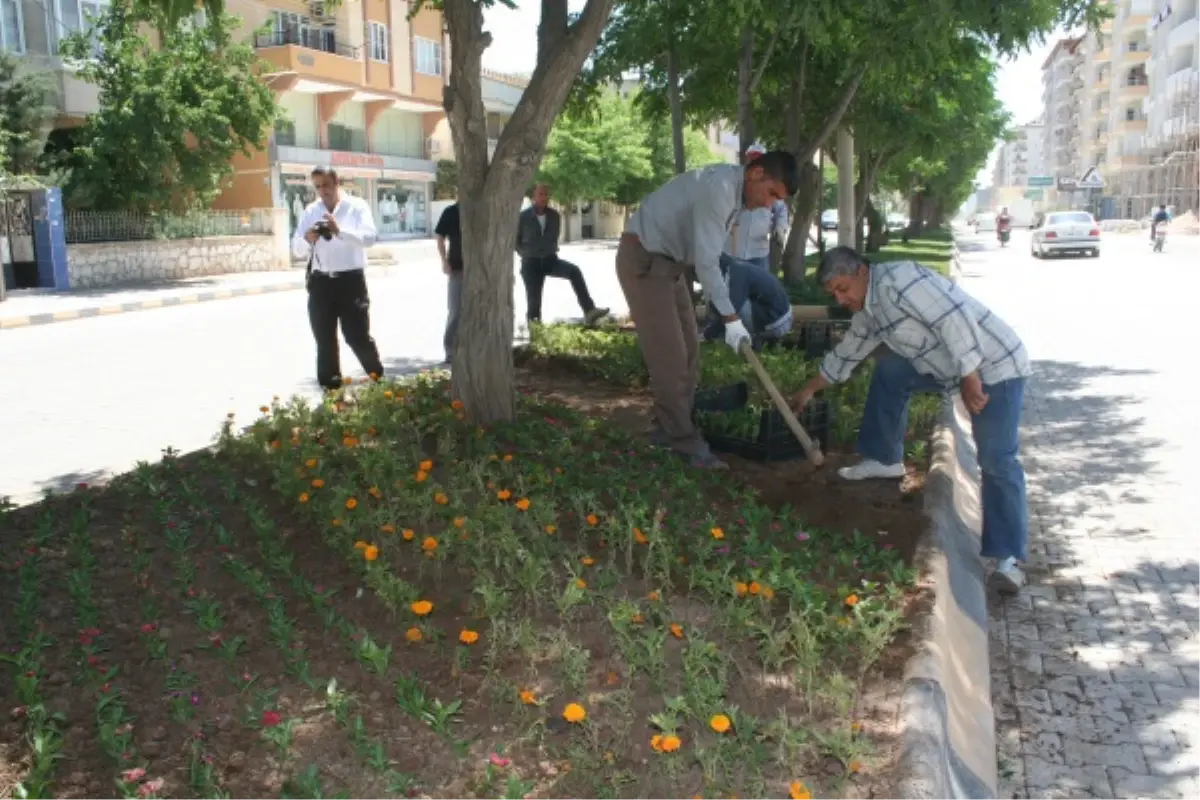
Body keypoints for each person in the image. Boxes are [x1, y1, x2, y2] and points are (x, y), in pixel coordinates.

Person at [789, 246, 1032, 593]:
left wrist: (970, 376)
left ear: (861, 271)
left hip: (994, 366)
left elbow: (956, 318)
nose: (840, 299)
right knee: (891, 370)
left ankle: (1008, 559)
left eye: (842, 288)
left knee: (996, 458)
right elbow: (848, 352)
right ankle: (884, 458)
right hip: (947, 365)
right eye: (833, 294)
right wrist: (809, 390)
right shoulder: (869, 309)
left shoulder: (901, 282)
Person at [618, 150, 800, 469]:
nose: (770, 204)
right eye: (772, 193)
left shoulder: (735, 194)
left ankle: (666, 428)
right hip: (644, 261)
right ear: (756, 173)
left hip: (670, 266)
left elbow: (707, 256)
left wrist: (727, 314)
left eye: (777, 200)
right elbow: (707, 262)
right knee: (670, 358)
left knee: (690, 351)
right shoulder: (719, 190)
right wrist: (731, 318)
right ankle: (685, 443)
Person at [291, 165, 384, 391]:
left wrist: (339, 230)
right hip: (321, 283)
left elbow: (370, 237)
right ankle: (331, 394)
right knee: (325, 341)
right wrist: (308, 238)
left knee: (357, 336)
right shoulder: (311, 211)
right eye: (318, 187)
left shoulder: (357, 207)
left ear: (337, 183)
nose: (323, 191)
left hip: (350, 281)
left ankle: (379, 381)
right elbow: (296, 249)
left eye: (326, 185)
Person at [516, 184, 609, 326]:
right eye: (541, 194)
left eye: (546, 194)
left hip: (550, 260)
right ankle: (535, 333)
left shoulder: (554, 216)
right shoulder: (523, 217)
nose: (544, 197)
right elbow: (515, 241)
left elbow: (554, 236)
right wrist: (526, 253)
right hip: (531, 264)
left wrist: (549, 250)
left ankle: (589, 310)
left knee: (574, 271)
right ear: (534, 196)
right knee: (534, 303)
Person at [702, 258, 794, 347]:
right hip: (778, 315)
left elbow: (731, 312)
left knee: (730, 309)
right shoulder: (737, 267)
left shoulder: (737, 274)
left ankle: (749, 341)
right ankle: (757, 339)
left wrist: (708, 334)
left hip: (776, 321)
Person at [435, 202, 463, 365]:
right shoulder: (451, 211)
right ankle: (450, 350)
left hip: (480, 269)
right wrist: (444, 261)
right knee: (456, 310)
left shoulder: (482, 209)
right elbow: (440, 236)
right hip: (457, 267)